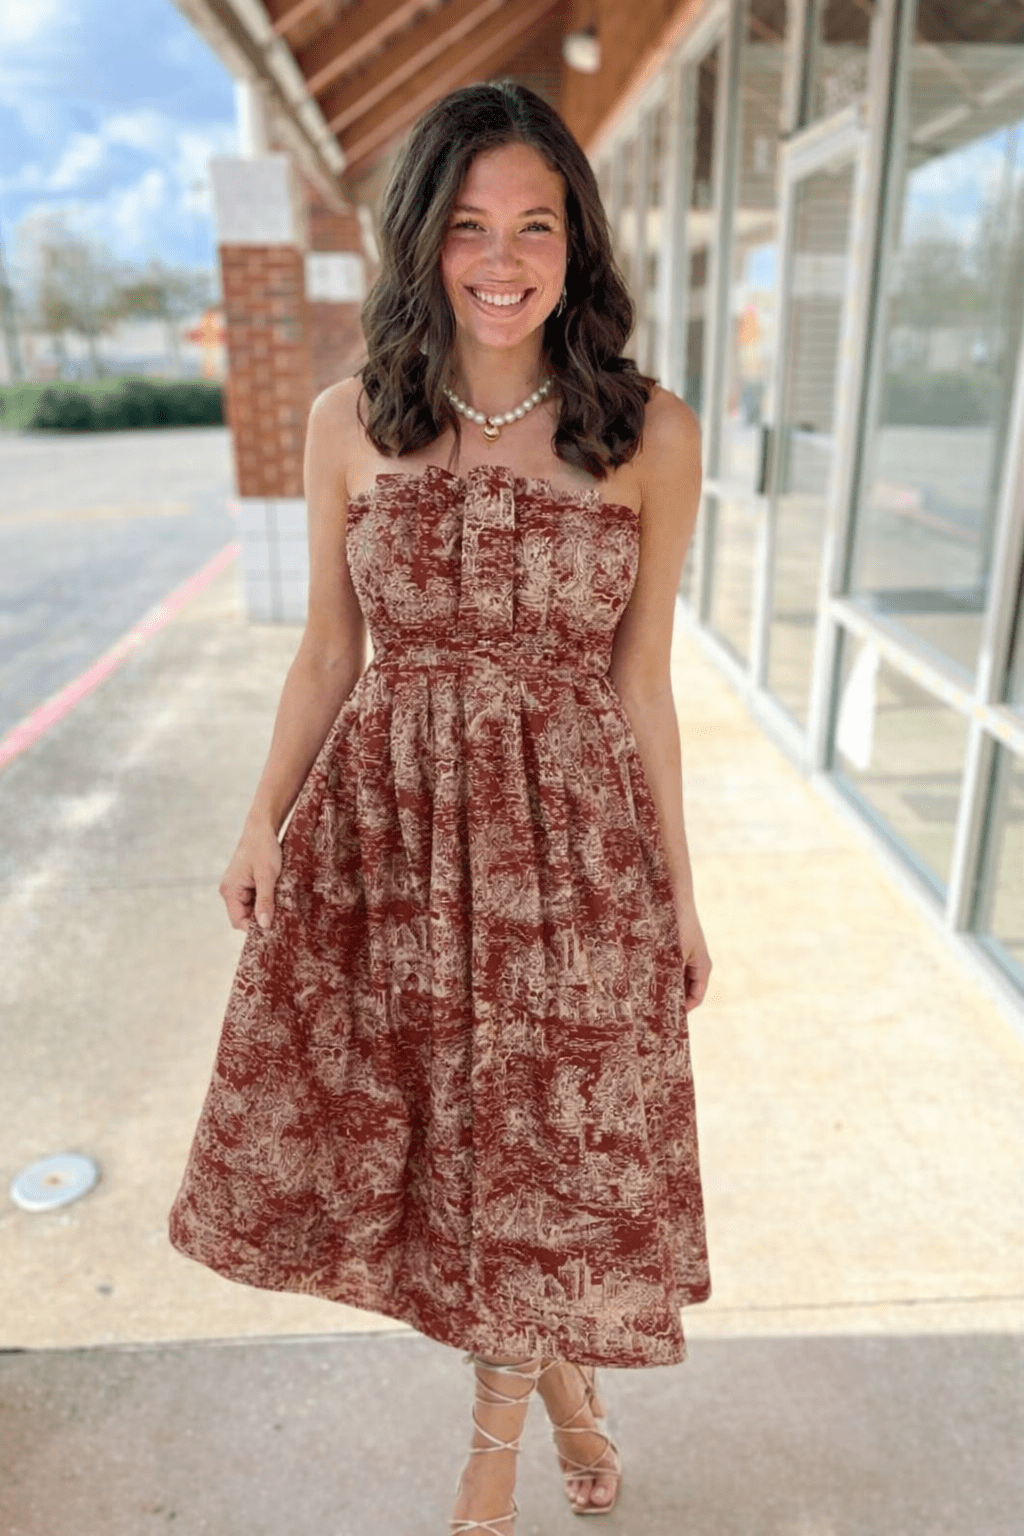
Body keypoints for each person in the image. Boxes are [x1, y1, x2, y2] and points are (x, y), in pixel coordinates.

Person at [168, 80, 712, 1532]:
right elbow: (328, 651)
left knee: (538, 1155)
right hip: (390, 851)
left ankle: (493, 1461)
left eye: (535, 224)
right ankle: (573, 1407)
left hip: (573, 859)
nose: (502, 258)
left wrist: (681, 889)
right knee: (455, 1161)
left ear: (576, 245)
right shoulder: (351, 419)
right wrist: (257, 820)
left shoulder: (651, 433)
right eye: (470, 225)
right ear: (423, 242)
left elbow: (643, 680)